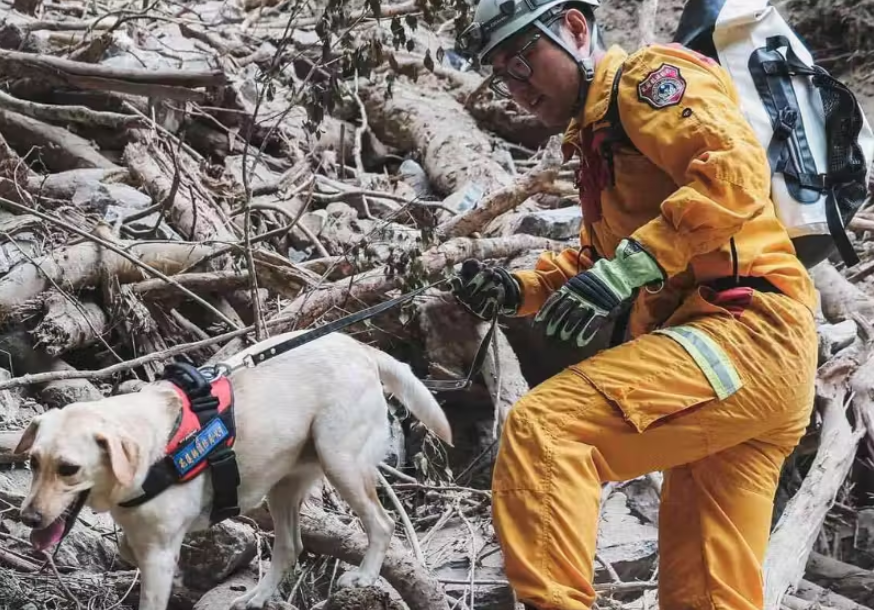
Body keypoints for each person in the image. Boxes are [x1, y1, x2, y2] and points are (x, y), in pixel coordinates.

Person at [449, 1, 819, 609]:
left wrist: (630, 267)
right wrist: (519, 290)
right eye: (500, 76)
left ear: (572, 28)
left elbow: (731, 171)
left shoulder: (649, 81)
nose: (516, 89)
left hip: (745, 332)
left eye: (521, 62)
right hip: (745, 373)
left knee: (546, 432)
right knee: (704, 595)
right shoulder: (602, 140)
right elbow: (602, 259)